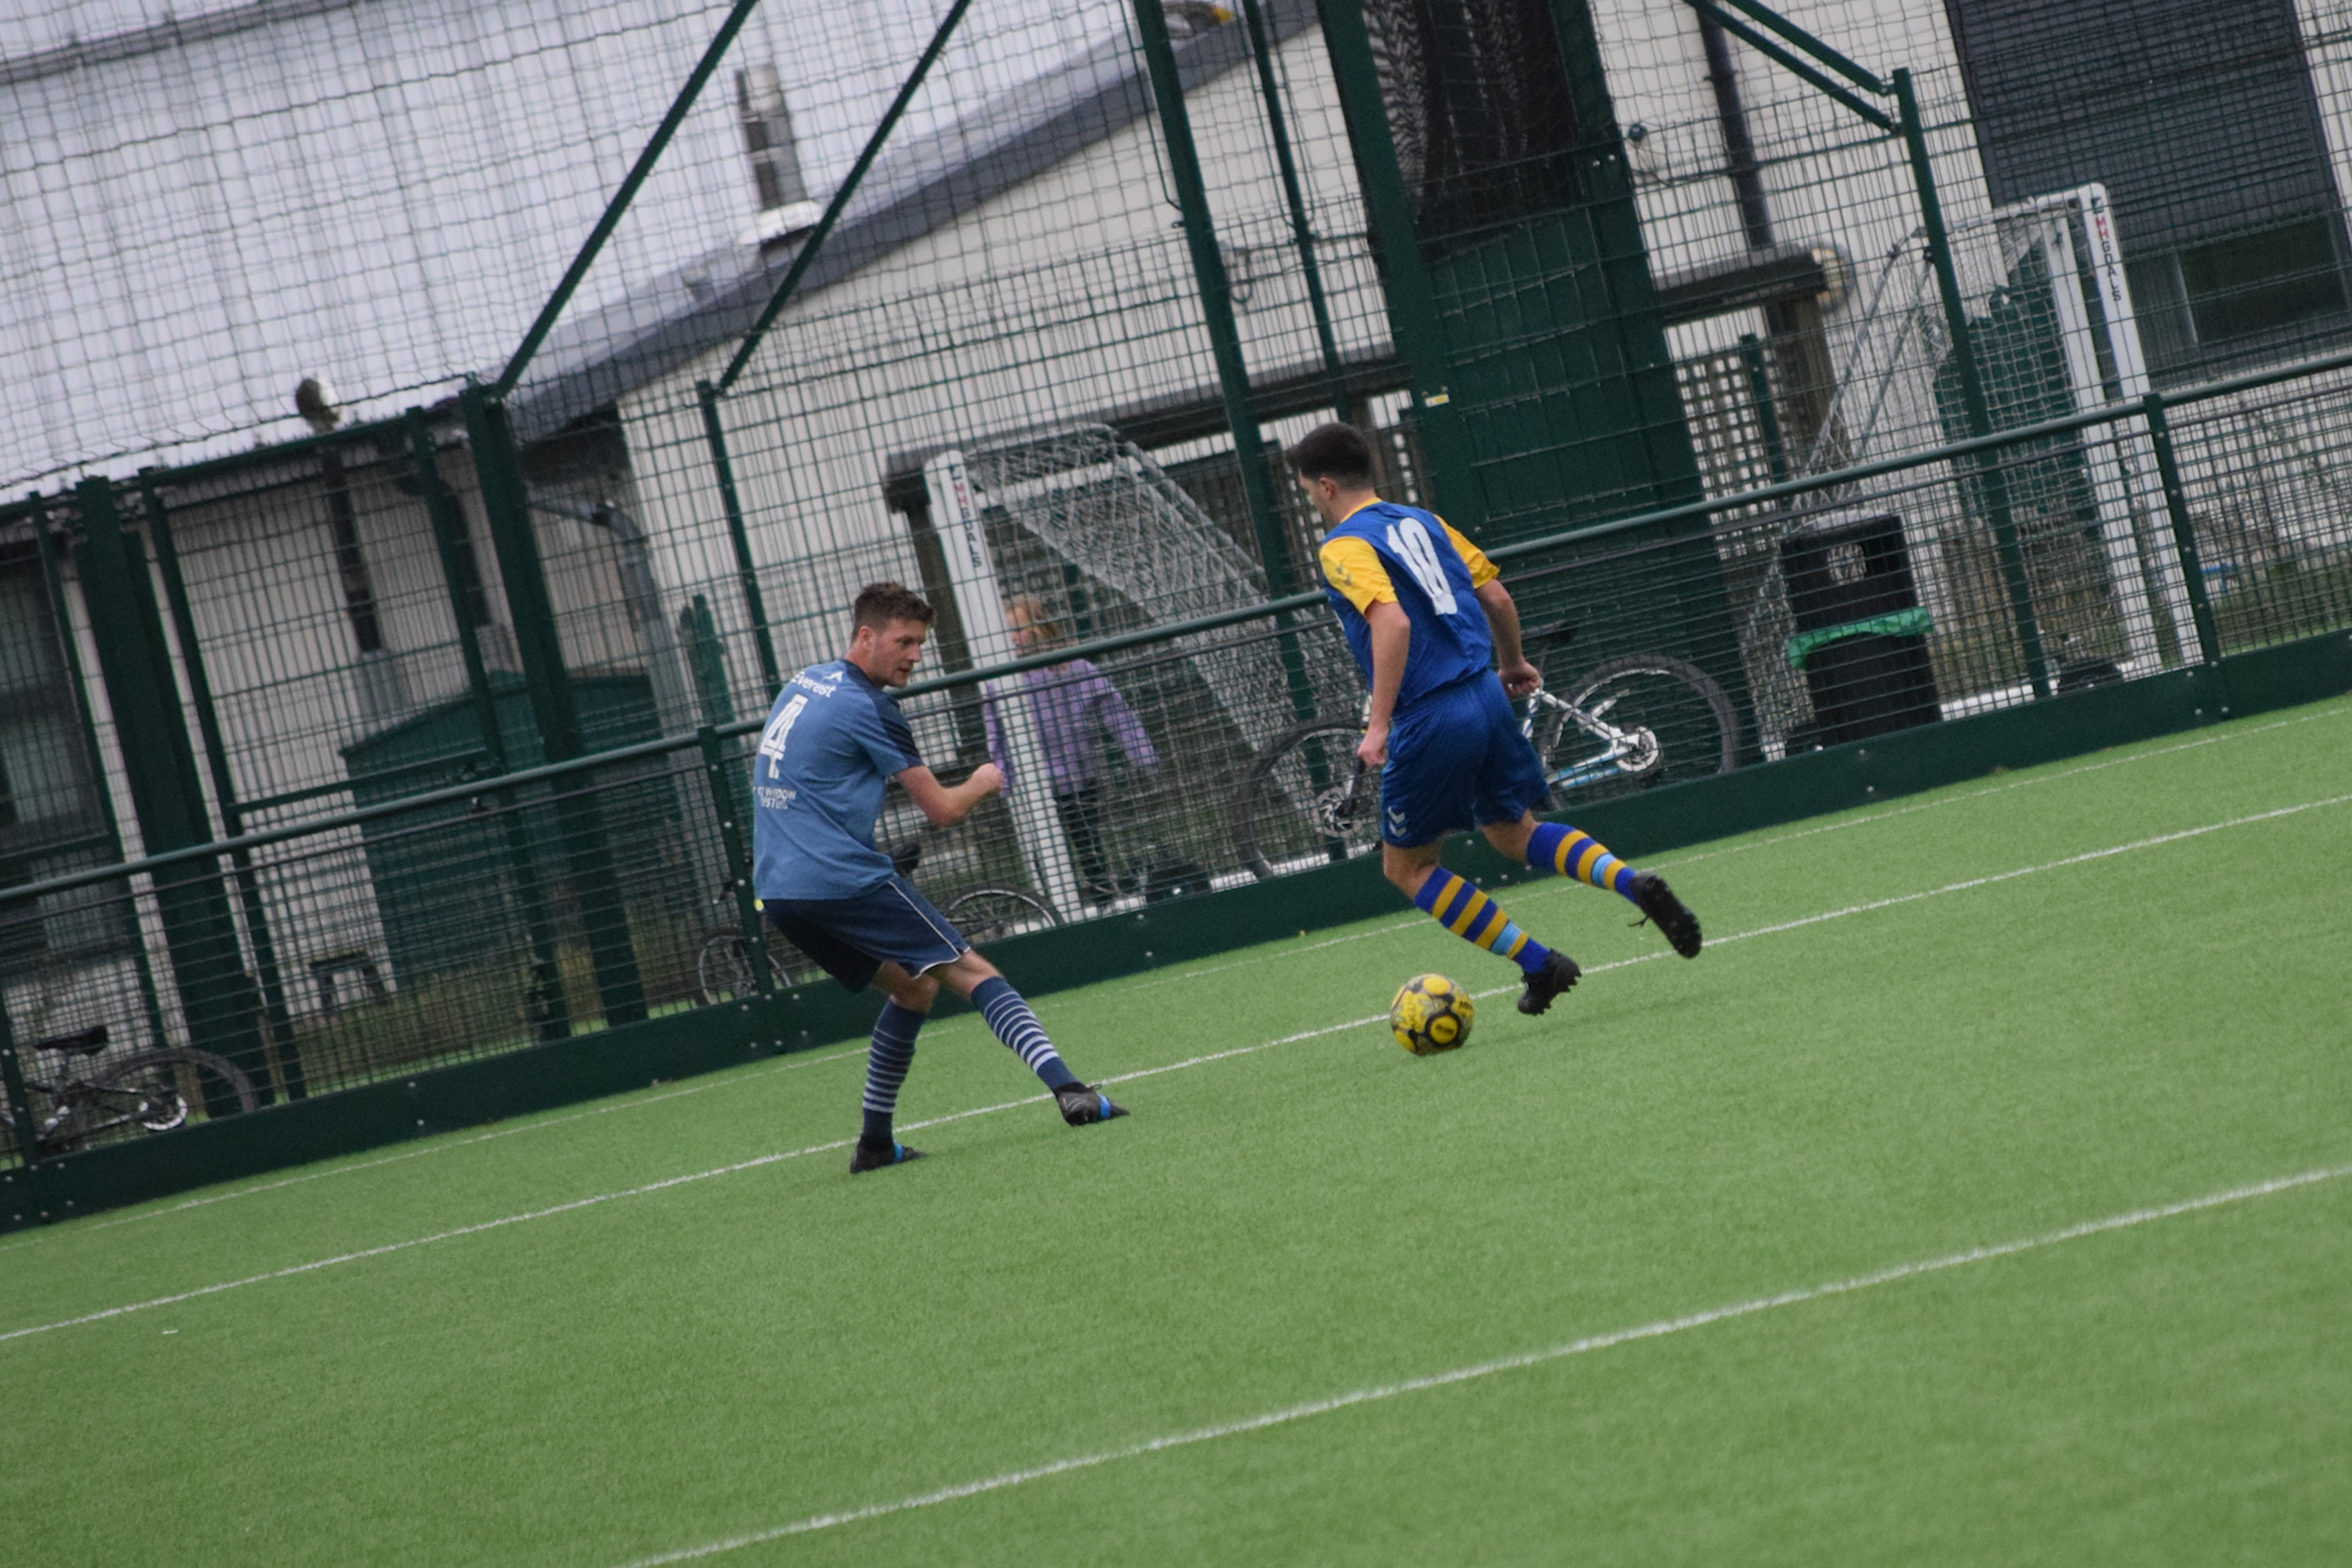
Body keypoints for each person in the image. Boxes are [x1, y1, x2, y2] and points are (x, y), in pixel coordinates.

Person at [1285, 422, 1702, 1017]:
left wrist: (1377, 725)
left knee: (1407, 865)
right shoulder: (1424, 521)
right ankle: (1629, 881)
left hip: (1430, 714)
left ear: (1324, 487)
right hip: (1484, 694)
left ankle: (1540, 963)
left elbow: (1393, 623)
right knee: (1515, 832)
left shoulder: (1343, 546)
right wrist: (1512, 663)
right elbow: (1499, 598)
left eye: (1307, 492)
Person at [752, 581, 1128, 1174]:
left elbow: (808, 787)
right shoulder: (870, 707)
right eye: (903, 641)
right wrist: (983, 779)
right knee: (973, 972)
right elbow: (943, 811)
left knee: (913, 987)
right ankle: (1071, 1091)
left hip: (780, 891)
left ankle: (876, 1145)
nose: (913, 655)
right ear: (865, 636)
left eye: (920, 643)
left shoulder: (804, 682)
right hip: (839, 879)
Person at [982, 595, 1160, 906]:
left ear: (1040, 628)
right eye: (1005, 631)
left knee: (1088, 844)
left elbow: (1117, 712)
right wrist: (1005, 781)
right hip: (1032, 786)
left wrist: (1141, 754)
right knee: (1044, 853)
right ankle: (1055, 908)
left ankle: (1103, 901)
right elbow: (995, 737)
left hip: (1078, 778)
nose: (1012, 637)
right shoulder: (999, 682)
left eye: (1019, 628)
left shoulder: (1075, 669)